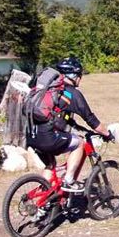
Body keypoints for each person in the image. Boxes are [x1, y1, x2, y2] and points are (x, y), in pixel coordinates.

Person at [27, 57, 113, 192]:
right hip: (47, 138)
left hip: (31, 134)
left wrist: (75, 125)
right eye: (80, 76)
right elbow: (91, 120)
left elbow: (60, 115)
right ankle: (69, 181)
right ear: (74, 76)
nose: (80, 79)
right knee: (79, 143)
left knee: (50, 165)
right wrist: (107, 134)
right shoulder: (72, 93)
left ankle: (42, 202)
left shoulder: (50, 88)